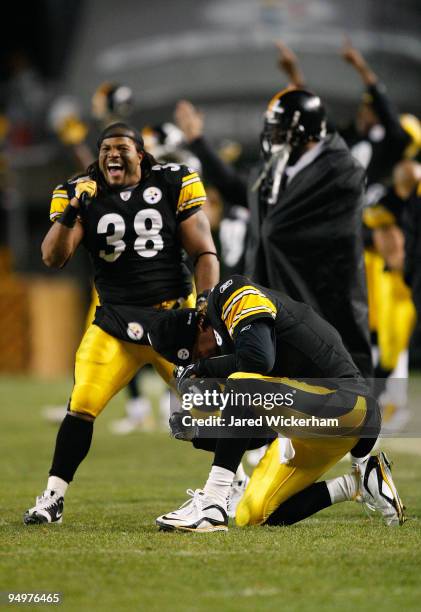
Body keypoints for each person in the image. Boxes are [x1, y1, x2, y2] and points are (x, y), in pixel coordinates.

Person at [23, 121, 219, 524]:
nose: (113, 154)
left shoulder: (172, 180)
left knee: (209, 414)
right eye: (105, 148)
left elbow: (203, 251)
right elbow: (52, 257)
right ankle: (53, 497)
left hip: (172, 322)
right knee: (81, 406)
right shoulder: (81, 190)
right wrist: (73, 211)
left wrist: (205, 305)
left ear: (140, 154)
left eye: (121, 147)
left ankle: (231, 486)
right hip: (115, 324)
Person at [148, 275, 405, 532]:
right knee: (253, 513)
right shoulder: (230, 350)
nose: (202, 356)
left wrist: (202, 367)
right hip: (308, 426)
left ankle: (212, 503)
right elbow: (259, 432)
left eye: (197, 351)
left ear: (202, 325)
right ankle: (358, 484)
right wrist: (199, 433)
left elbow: (258, 360)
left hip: (349, 406)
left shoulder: (230, 294)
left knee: (242, 381)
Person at [175, 90, 372, 379]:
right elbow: (239, 190)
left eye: (280, 129)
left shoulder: (341, 170)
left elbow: (277, 227)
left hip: (322, 294)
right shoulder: (278, 169)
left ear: (305, 132)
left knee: (334, 387)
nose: (273, 136)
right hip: (282, 294)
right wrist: (197, 142)